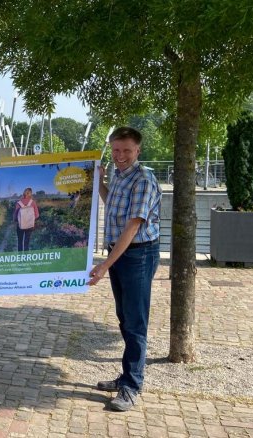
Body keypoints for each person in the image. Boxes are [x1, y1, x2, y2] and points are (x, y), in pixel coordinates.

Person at [88, 127, 161, 411]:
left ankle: (132, 385)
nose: (120, 156)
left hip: (137, 255)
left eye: (126, 151)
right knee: (125, 317)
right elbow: (112, 204)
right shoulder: (120, 175)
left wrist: (105, 264)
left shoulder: (143, 179)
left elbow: (132, 226)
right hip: (120, 255)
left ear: (138, 151)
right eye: (116, 150)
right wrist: (100, 183)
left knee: (135, 322)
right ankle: (126, 377)